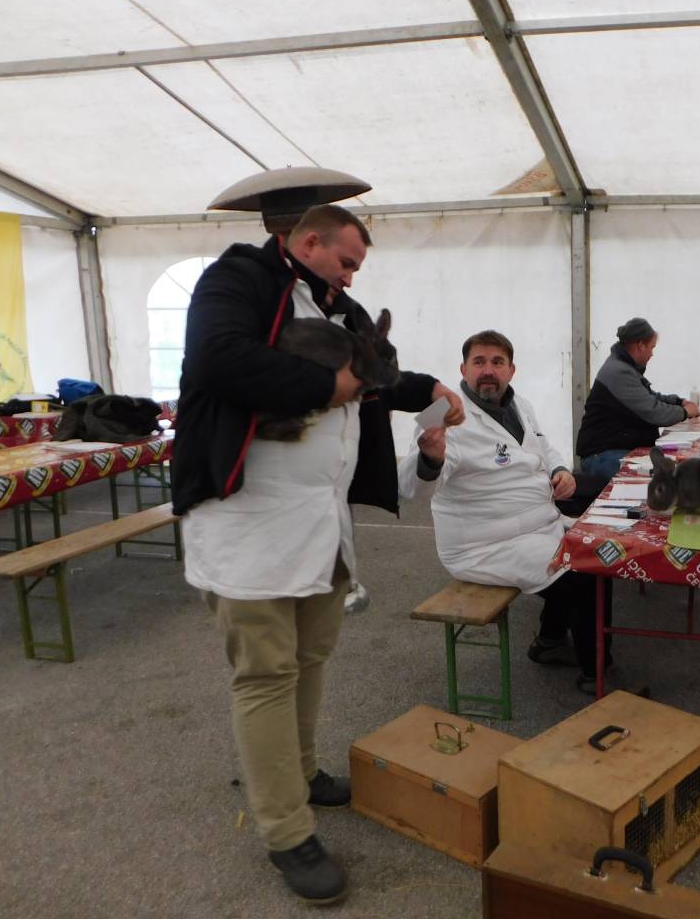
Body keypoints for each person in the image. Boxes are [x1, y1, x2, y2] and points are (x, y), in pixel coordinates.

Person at [171, 204, 457, 905]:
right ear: (306, 241)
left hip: (320, 523)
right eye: (346, 260)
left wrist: (427, 389)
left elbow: (375, 373)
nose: (352, 275)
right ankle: (285, 831)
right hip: (247, 522)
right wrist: (329, 389)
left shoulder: (340, 310)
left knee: (309, 657)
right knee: (266, 673)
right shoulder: (236, 280)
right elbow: (219, 359)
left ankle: (299, 772)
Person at [399, 330, 628, 695]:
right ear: (463, 368)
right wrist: (431, 457)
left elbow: (545, 448)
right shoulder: (440, 414)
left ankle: (550, 643)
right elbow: (413, 488)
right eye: (479, 362)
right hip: (486, 544)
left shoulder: (520, 404)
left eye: (497, 362)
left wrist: (560, 471)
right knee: (585, 572)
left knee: (600, 545)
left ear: (511, 369)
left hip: (537, 524)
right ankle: (598, 675)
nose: (488, 370)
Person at [575, 317, 697, 478]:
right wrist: (685, 412)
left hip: (613, 450)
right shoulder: (619, 372)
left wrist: (678, 401)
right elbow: (654, 411)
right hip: (601, 457)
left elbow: (648, 396)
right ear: (640, 345)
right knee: (660, 476)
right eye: (651, 348)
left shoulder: (623, 366)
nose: (652, 354)